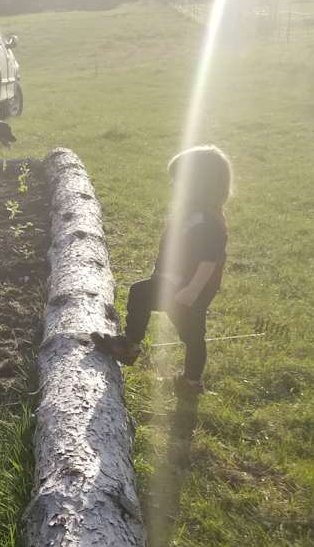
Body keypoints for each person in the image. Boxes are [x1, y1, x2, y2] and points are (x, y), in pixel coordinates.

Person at [92, 145, 232, 397]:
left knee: (191, 336)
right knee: (144, 296)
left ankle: (189, 382)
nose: (174, 186)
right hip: (173, 282)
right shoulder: (193, 213)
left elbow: (209, 262)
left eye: (179, 181)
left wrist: (191, 291)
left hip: (188, 291)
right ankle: (131, 345)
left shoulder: (209, 221)